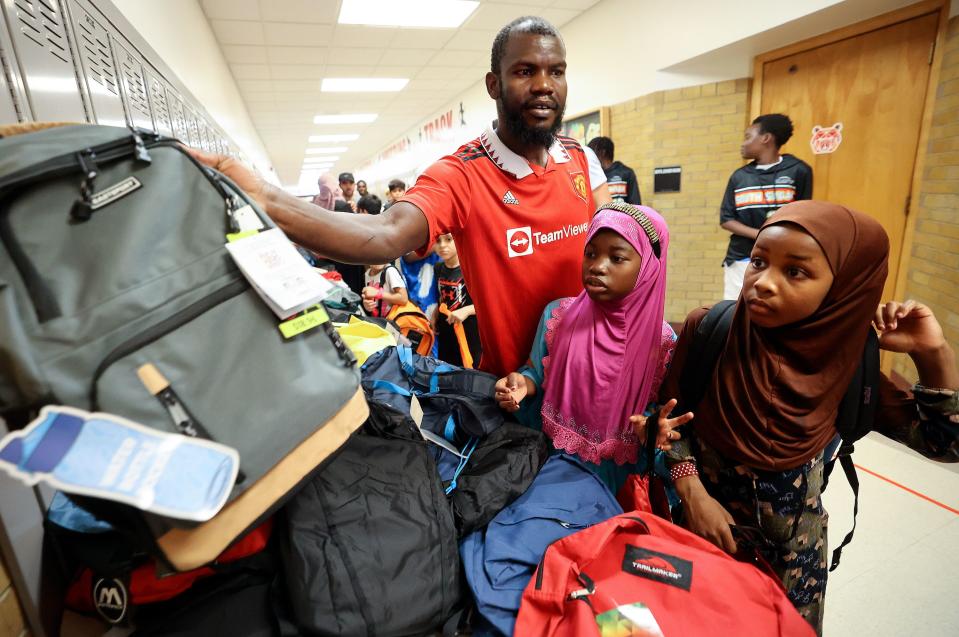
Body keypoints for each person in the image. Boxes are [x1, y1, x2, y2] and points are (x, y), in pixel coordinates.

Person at [187, 16, 595, 378]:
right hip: (521, 396)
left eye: (555, 72)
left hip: (597, 376)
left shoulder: (579, 157)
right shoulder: (462, 174)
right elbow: (385, 232)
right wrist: (264, 196)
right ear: (494, 84)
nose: (543, 85)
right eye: (525, 71)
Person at [661, 201, 959, 634]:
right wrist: (694, 495)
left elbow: (944, 443)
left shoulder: (850, 366)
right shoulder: (711, 330)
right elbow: (667, 420)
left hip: (794, 565)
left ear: (843, 289)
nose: (762, 283)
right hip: (703, 537)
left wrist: (932, 353)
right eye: (758, 262)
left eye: (795, 271)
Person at [494, 203, 690, 493]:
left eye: (617, 257)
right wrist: (522, 385)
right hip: (551, 469)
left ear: (649, 266)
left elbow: (660, 419)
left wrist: (652, 432)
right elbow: (537, 372)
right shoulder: (558, 317)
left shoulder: (662, 344)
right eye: (591, 253)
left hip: (619, 485)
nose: (597, 266)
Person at [720, 113, 812, 300]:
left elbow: (804, 215)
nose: (743, 143)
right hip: (741, 257)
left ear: (766, 138)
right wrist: (760, 235)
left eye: (748, 137)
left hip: (783, 258)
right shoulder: (739, 176)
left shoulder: (799, 170)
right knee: (733, 311)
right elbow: (726, 219)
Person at [433, 233, 481, 367]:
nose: (442, 245)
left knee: (470, 373)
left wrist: (466, 310)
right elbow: (442, 296)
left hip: (469, 334)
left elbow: (488, 304)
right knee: (448, 371)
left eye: (448, 239)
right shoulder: (438, 268)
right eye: (438, 241)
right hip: (446, 332)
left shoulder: (472, 268)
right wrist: (436, 313)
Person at [588, 136, 641, 205]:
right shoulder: (592, 175)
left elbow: (636, 204)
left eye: (592, 153)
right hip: (601, 215)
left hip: (622, 215)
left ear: (602, 152)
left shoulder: (626, 173)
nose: (589, 158)